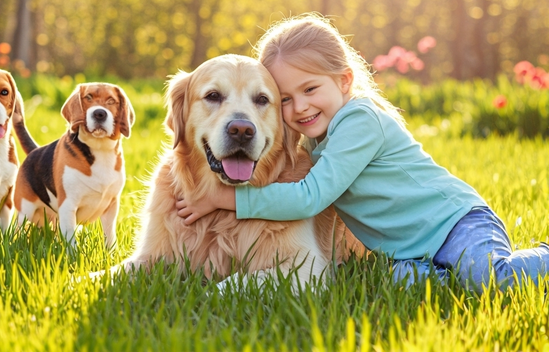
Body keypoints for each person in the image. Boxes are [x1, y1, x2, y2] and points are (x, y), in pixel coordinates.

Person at [176, 14, 549, 289]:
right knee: (406, 285)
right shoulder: (313, 137)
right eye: (285, 98)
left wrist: (227, 200)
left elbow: (310, 198)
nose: (300, 107)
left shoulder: (360, 121)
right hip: (406, 252)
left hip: (454, 224)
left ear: (344, 80)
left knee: (492, 280)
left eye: (310, 89)